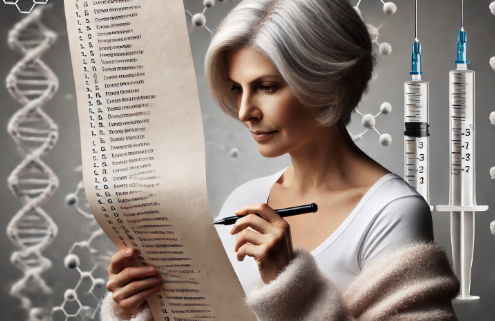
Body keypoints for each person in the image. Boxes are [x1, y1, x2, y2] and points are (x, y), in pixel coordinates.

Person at [101, 0, 460, 320]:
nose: (245, 111)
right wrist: (141, 305)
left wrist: (286, 282)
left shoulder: (391, 211)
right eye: (236, 88)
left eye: (267, 87)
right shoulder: (244, 202)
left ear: (325, 80)